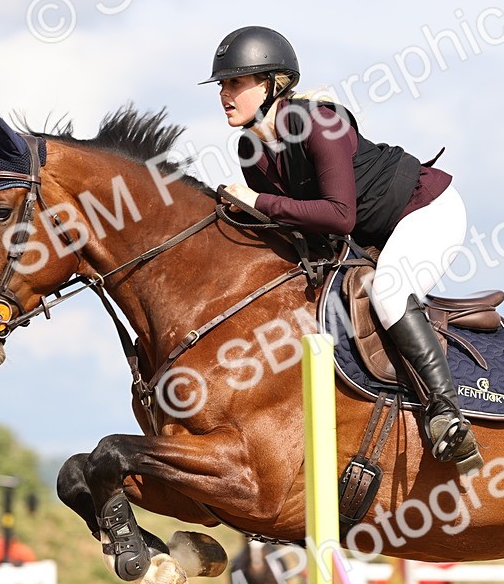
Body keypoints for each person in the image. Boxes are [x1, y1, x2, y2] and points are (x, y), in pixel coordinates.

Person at [205, 25, 482, 473]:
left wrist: (256, 201)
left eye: (236, 82)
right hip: (370, 234)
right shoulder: (251, 149)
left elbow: (338, 216)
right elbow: (293, 226)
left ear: (273, 84)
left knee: (390, 291)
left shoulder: (317, 121)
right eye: (222, 84)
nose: (224, 93)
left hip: (425, 210)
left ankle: (446, 414)